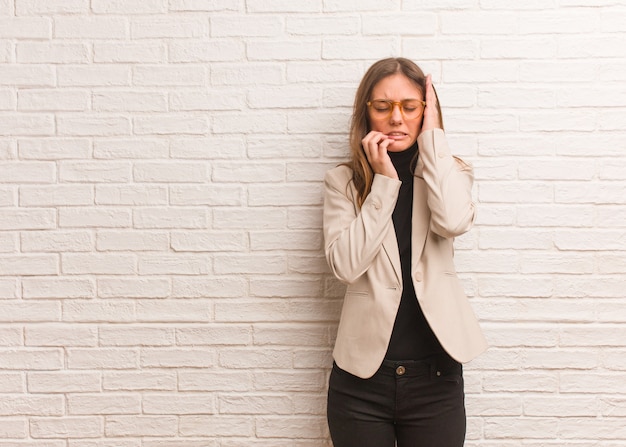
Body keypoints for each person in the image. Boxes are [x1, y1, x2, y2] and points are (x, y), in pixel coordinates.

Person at [322, 57, 488, 447]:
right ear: (367, 113)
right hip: (360, 383)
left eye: (410, 107)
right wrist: (382, 183)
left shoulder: (451, 173)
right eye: (383, 107)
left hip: (436, 380)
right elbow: (345, 266)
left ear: (425, 112)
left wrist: (433, 140)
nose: (396, 118)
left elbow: (452, 221)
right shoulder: (343, 182)